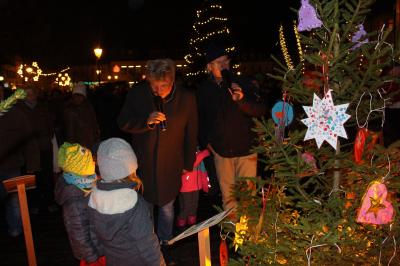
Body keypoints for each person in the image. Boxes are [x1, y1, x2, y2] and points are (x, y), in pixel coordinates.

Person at [117, 58, 198, 265]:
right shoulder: (137, 94)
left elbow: (191, 133)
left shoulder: (186, 98)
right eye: (154, 85)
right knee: (144, 208)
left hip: (171, 164)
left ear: (172, 81)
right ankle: (146, 243)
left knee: (167, 207)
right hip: (143, 164)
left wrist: (187, 164)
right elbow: (123, 122)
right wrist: (146, 121)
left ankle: (165, 241)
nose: (159, 90)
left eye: (164, 85)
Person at [196, 43, 266, 217]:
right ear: (209, 67)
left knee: (248, 197)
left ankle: (249, 239)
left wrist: (241, 100)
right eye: (218, 62)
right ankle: (234, 237)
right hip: (221, 151)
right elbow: (201, 119)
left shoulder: (244, 83)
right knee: (228, 199)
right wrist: (208, 143)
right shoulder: (204, 90)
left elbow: (260, 110)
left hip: (247, 150)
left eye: (225, 60)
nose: (224, 64)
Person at [88, 138, 165, 266]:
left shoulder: (94, 198)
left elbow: (93, 234)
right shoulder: (134, 203)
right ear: (130, 167)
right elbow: (147, 244)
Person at [54, 142, 104, 265]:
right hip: (93, 254)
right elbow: (79, 235)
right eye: (89, 162)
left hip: (102, 246)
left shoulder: (87, 182)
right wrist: (92, 259)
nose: (93, 163)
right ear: (81, 168)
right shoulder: (74, 200)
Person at [0, 90, 40, 237]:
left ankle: (15, 228)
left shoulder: (16, 114)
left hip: (11, 164)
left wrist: (32, 163)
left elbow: (29, 138)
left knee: (14, 200)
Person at [176, 148, 210, 230]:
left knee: (194, 204)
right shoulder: (183, 152)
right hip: (186, 185)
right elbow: (191, 164)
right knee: (186, 205)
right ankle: (181, 219)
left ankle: (191, 220)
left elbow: (202, 168)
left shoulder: (197, 151)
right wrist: (205, 152)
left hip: (196, 184)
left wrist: (204, 183)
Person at [64, 82, 100, 152]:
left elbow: (93, 123)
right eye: (76, 96)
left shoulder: (88, 107)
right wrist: (73, 147)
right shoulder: (70, 111)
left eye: (80, 96)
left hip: (90, 142)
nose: (78, 98)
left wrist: (96, 136)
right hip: (79, 144)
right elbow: (70, 131)